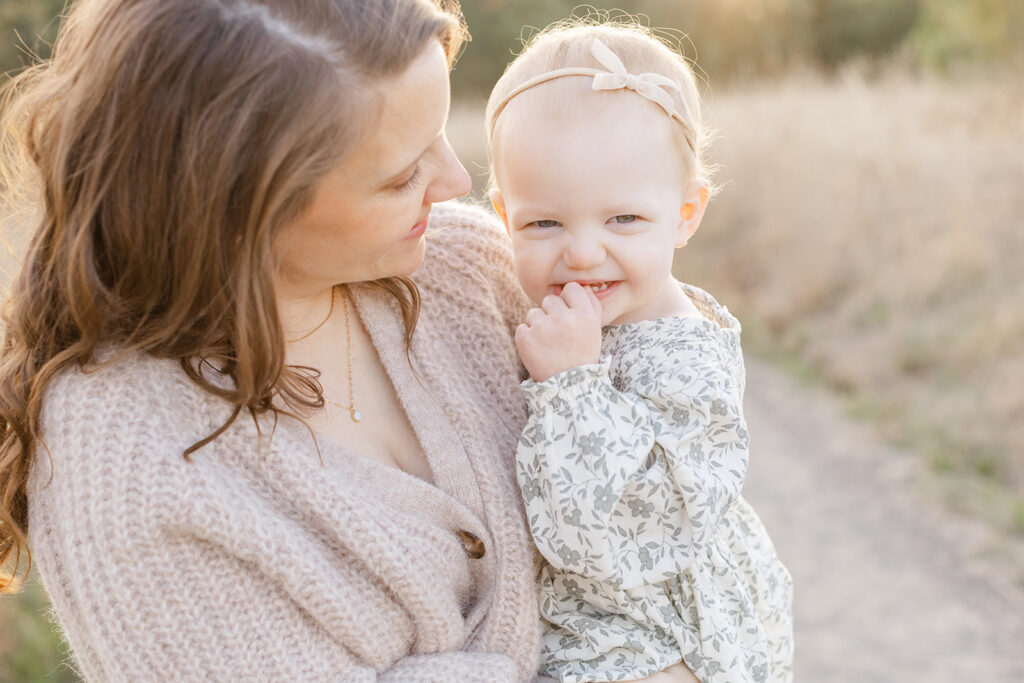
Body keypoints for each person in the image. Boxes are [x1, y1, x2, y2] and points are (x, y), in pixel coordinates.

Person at [0, 0, 543, 679]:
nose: (457, 182)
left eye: (440, 132)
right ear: (234, 204)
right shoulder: (126, 454)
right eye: (401, 176)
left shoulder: (468, 270)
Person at [484, 20, 794, 683]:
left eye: (623, 218)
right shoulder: (569, 312)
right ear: (502, 216)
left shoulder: (689, 359)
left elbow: (611, 533)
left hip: (661, 643)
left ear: (686, 213)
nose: (584, 251)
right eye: (544, 222)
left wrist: (572, 383)